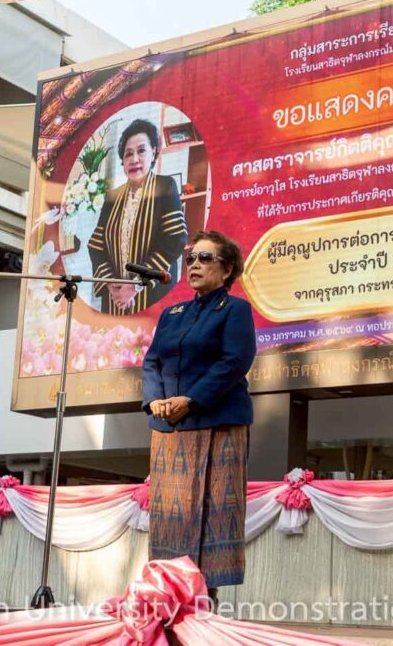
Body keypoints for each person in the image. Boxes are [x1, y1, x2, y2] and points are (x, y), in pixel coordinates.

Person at [141, 230, 257, 594]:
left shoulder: (235, 310)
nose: (194, 264)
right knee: (171, 518)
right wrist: (155, 401)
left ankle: (207, 598)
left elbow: (234, 361)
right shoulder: (172, 313)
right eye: (190, 258)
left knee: (214, 510)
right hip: (170, 428)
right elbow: (152, 361)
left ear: (227, 270)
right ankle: (170, 592)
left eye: (205, 258)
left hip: (218, 423)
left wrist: (190, 400)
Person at [88, 118, 187, 315]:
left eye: (141, 151)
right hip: (116, 301)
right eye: (128, 154)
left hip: (153, 295)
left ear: (153, 152)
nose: (134, 159)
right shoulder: (112, 197)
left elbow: (175, 240)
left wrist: (135, 285)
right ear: (123, 161)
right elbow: (96, 246)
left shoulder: (165, 186)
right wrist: (112, 285)